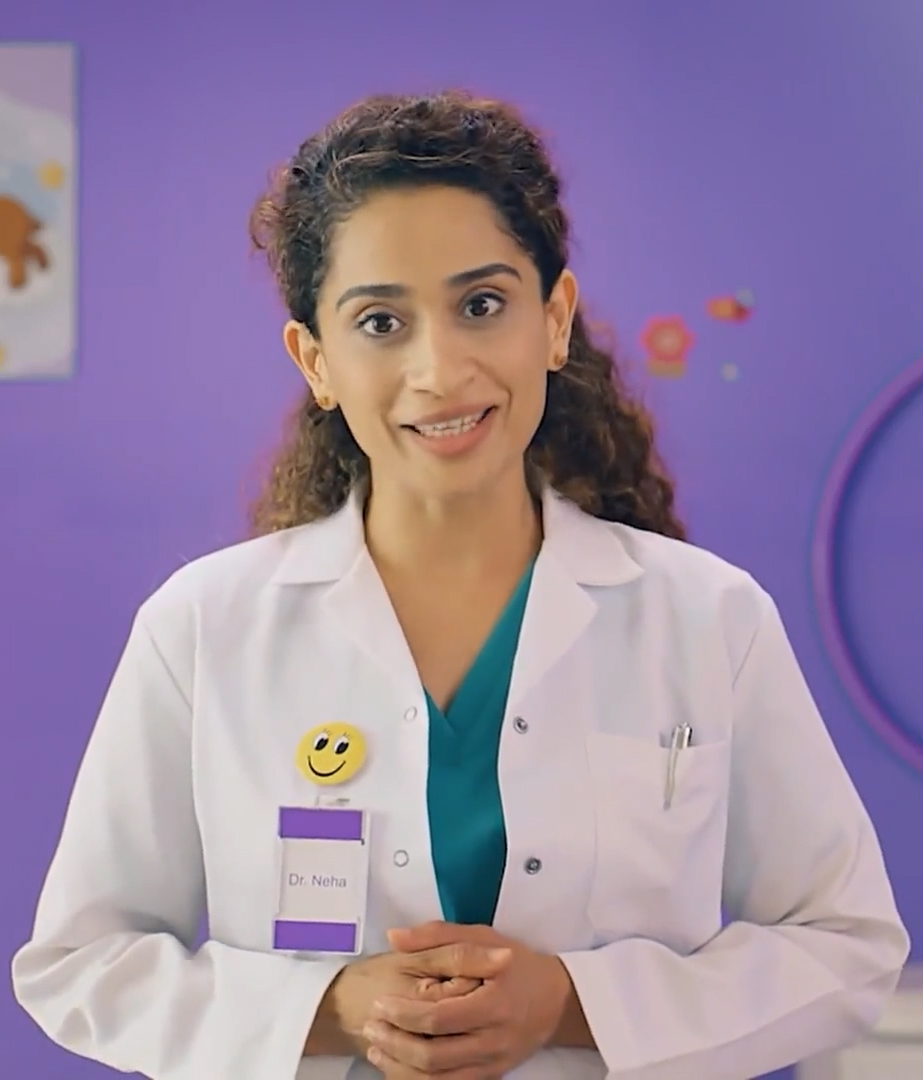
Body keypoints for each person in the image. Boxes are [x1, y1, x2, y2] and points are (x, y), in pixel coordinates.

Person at [11, 90, 909, 1080]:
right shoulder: (202, 627)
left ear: (553, 320)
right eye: (380, 321)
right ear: (315, 361)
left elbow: (846, 948)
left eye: (481, 305)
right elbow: (80, 966)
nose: (438, 370)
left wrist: (571, 1003)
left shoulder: (706, 619)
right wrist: (328, 1008)